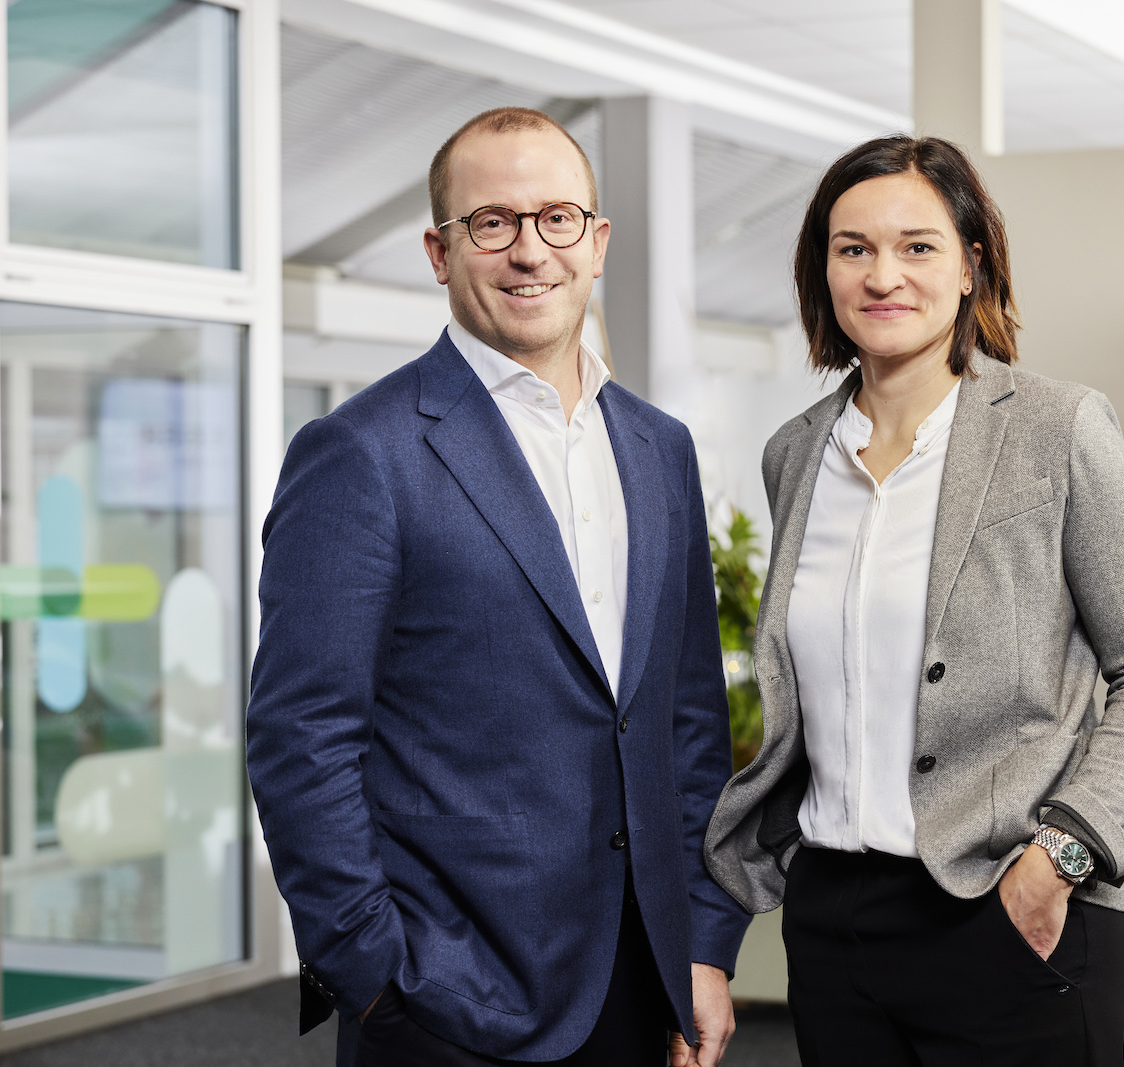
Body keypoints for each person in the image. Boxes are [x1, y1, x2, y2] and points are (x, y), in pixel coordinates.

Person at [246, 107, 748, 1067]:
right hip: (446, 999)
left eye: (557, 218)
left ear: (597, 242)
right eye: (492, 222)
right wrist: (377, 976)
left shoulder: (660, 449)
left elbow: (688, 723)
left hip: (645, 981)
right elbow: (300, 735)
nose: (529, 249)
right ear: (439, 253)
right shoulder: (361, 453)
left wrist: (704, 942)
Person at [703, 135, 1124, 1066]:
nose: (882, 274)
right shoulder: (795, 455)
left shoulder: (1059, 429)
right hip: (833, 919)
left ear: (971, 266)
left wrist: (1059, 859)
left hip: (1006, 903)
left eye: (917, 246)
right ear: (822, 271)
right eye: (853, 248)